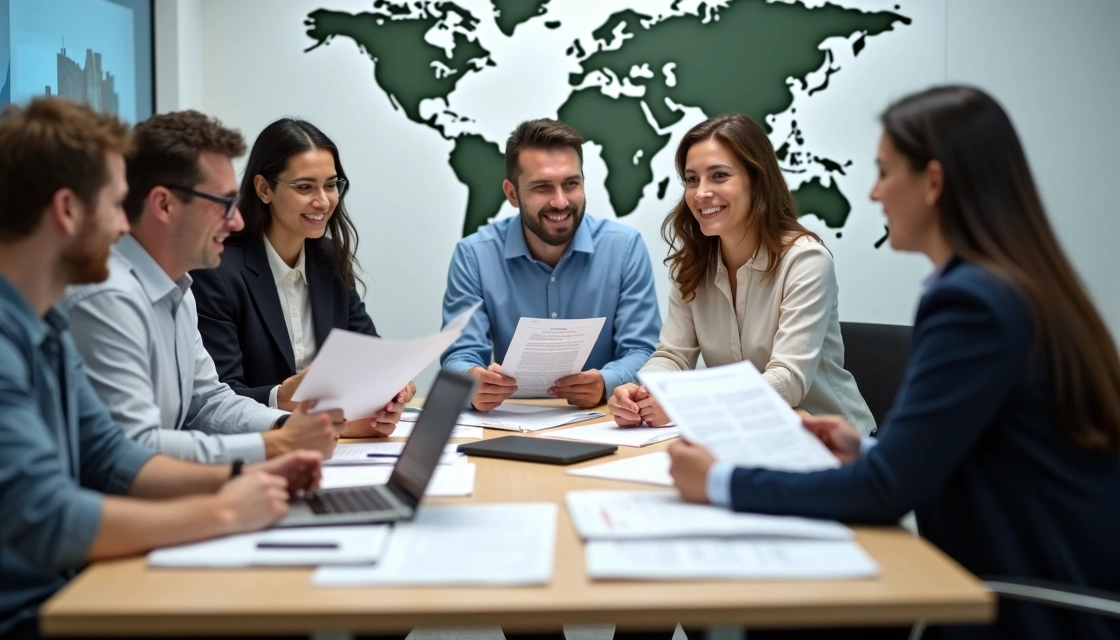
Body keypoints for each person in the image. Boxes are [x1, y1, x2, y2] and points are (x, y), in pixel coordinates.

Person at [668, 86, 1120, 640]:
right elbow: (988, 451)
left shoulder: (971, 304)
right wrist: (872, 449)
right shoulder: (1009, 285)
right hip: (1010, 577)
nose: (875, 192)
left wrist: (719, 481)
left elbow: (886, 491)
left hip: (1020, 608)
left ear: (932, 183)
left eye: (885, 172)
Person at [0, 98, 333, 640]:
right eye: (113, 205)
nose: (122, 225)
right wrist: (225, 510)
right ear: (66, 210)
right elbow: (48, 518)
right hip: (0, 620)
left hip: (62, 595)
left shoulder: (37, 322)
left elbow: (111, 454)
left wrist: (246, 476)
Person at [61, 110, 342, 465]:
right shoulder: (107, 298)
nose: (237, 219)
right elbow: (134, 447)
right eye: (224, 203)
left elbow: (207, 402)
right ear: (164, 204)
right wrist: (277, 445)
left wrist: (288, 426)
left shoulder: (178, 287)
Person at [609, 114, 874, 435]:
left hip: (830, 444)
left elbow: (787, 381)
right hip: (743, 435)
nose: (701, 193)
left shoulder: (805, 260)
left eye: (719, 176)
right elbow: (674, 356)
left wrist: (685, 403)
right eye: (692, 180)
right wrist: (641, 391)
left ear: (757, 181)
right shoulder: (691, 265)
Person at [191, 118, 411, 437]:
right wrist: (281, 396)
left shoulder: (329, 260)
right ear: (264, 189)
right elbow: (215, 399)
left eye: (331, 184)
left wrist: (392, 390)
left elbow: (369, 356)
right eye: (305, 187)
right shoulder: (217, 272)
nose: (323, 201)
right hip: (258, 449)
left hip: (336, 446)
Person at [440, 118, 662, 411]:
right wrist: (472, 382)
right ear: (512, 194)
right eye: (542, 187)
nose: (560, 202)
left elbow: (643, 350)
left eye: (571, 184)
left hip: (601, 420)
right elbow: (459, 355)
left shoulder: (624, 247)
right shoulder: (474, 255)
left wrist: (606, 382)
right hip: (510, 425)